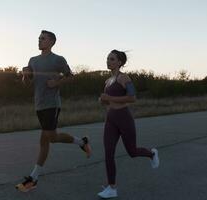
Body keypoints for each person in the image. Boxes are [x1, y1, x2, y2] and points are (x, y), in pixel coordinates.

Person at [15, 30, 92, 192]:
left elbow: (71, 77)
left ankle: (33, 178)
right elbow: (27, 84)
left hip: (52, 104)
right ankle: (81, 142)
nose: (39, 41)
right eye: (38, 38)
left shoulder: (58, 60)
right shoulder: (33, 60)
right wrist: (25, 76)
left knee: (49, 138)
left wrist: (57, 83)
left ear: (51, 42)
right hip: (39, 105)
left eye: (43, 39)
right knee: (48, 139)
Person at [97, 50, 159, 198]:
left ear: (120, 62)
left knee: (132, 152)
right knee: (108, 153)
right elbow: (107, 100)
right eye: (107, 59)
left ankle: (151, 153)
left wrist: (109, 97)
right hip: (111, 119)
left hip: (124, 118)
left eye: (112, 59)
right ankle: (112, 188)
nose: (108, 61)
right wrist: (102, 100)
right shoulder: (107, 81)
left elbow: (132, 98)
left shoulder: (124, 78)